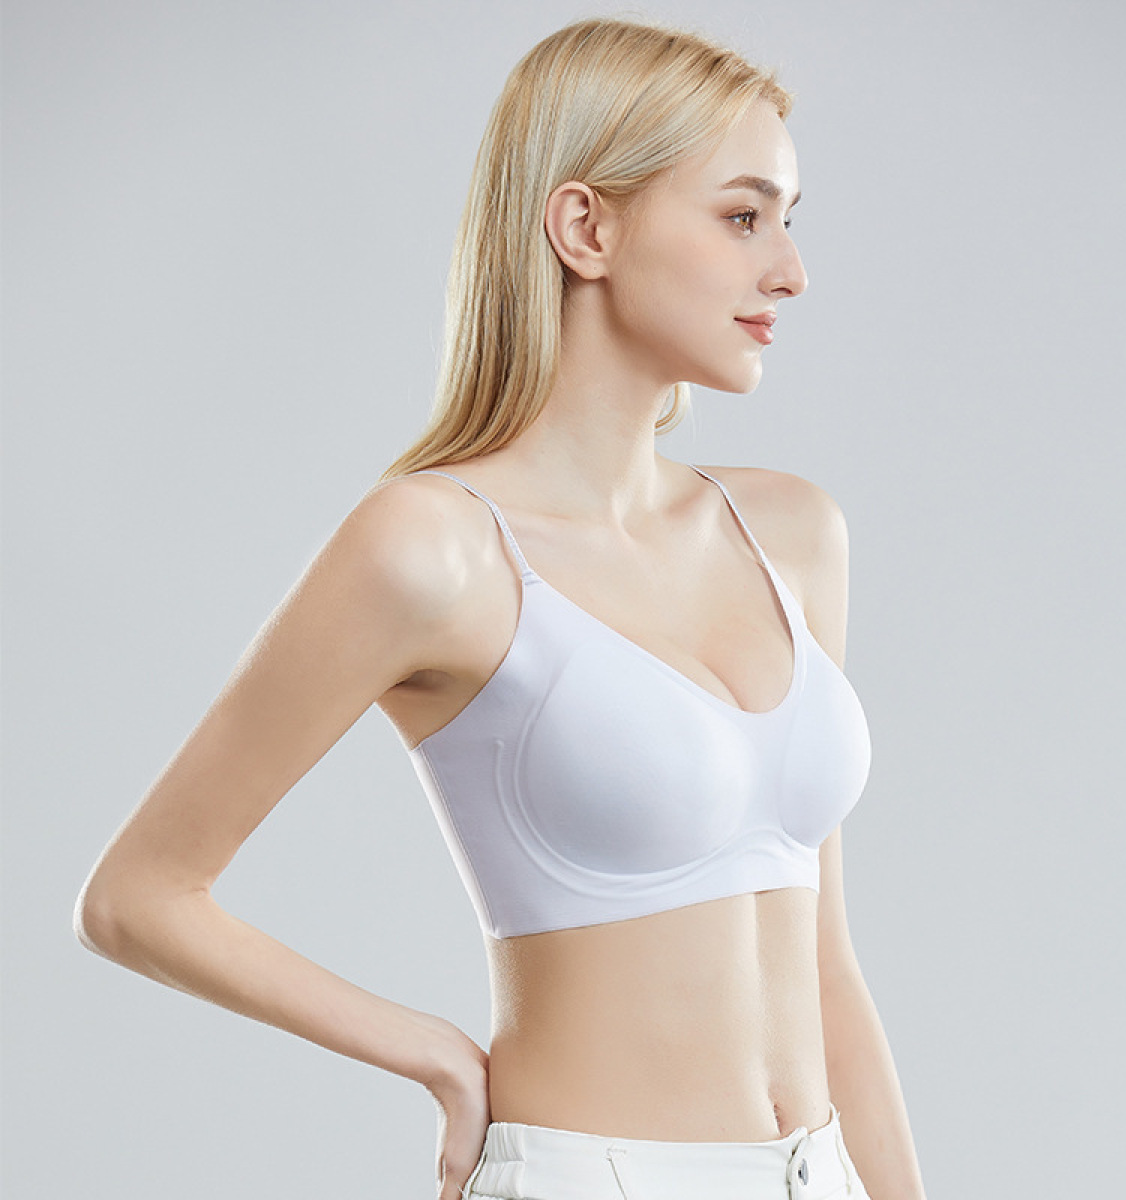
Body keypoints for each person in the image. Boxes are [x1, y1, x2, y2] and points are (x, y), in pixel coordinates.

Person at [76, 16, 926, 1200]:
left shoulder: (792, 534)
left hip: (817, 1173)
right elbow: (137, 898)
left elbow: (828, 963)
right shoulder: (433, 548)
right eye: (744, 217)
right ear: (586, 227)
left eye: (789, 219)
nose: (789, 270)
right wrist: (431, 1054)